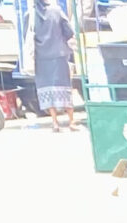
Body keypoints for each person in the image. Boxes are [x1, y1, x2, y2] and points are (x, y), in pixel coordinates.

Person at [31, 0, 79, 129]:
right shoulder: (56, 11)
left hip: (40, 57)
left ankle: (55, 122)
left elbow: (28, 36)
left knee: (47, 88)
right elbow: (69, 31)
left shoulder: (30, 15)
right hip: (59, 54)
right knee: (64, 86)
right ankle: (72, 121)